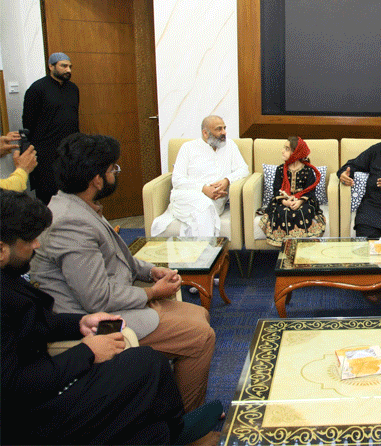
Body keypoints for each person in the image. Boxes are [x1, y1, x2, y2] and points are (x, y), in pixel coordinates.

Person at [1, 189, 224, 445]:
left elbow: (36, 323)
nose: (37, 245)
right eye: (29, 240)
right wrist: (87, 352)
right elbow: (13, 385)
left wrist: (79, 323)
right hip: (32, 416)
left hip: (45, 388)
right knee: (148, 367)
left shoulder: (8, 277)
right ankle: (178, 433)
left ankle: (174, 431)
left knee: (149, 369)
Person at [29, 133, 216, 412]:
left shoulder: (79, 205)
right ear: (96, 179)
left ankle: (167, 402)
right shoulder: (70, 223)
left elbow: (118, 256)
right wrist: (152, 293)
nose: (115, 174)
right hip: (93, 319)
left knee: (200, 315)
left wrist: (151, 271)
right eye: (112, 169)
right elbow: (96, 299)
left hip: (116, 300)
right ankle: (184, 422)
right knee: (201, 337)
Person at [151, 115, 249, 237]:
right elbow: (177, 179)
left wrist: (227, 180)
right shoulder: (188, 148)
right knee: (203, 206)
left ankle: (199, 248)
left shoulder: (230, 146)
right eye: (219, 129)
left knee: (205, 207)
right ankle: (207, 247)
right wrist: (203, 188)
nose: (224, 132)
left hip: (215, 199)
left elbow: (244, 169)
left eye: (224, 128)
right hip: (187, 196)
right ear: (205, 133)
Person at [22, 52, 80, 204]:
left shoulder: (73, 89)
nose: (68, 70)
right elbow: (28, 122)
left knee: (71, 190)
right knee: (47, 191)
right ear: (51, 66)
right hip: (45, 151)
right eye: (64, 66)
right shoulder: (37, 89)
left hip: (69, 149)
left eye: (70, 67)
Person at [258, 136, 326, 246]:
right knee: (282, 212)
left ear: (296, 153)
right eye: (284, 148)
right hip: (283, 201)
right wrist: (285, 202)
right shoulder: (280, 169)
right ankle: (286, 246)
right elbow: (276, 190)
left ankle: (302, 245)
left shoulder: (307, 170)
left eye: (287, 149)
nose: (282, 151)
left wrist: (299, 202)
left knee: (303, 212)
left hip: (303, 201)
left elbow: (310, 191)